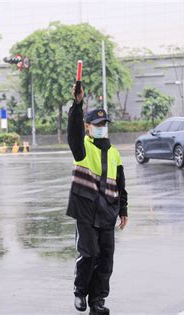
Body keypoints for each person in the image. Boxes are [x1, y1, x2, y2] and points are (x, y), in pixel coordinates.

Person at [67, 85, 128, 314]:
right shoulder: (82, 147)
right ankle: (80, 292)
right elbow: (72, 132)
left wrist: (123, 210)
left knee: (105, 261)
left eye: (105, 125)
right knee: (89, 254)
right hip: (85, 210)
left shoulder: (114, 153)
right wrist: (77, 105)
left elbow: (121, 184)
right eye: (98, 125)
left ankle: (97, 302)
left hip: (107, 212)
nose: (102, 129)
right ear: (88, 127)